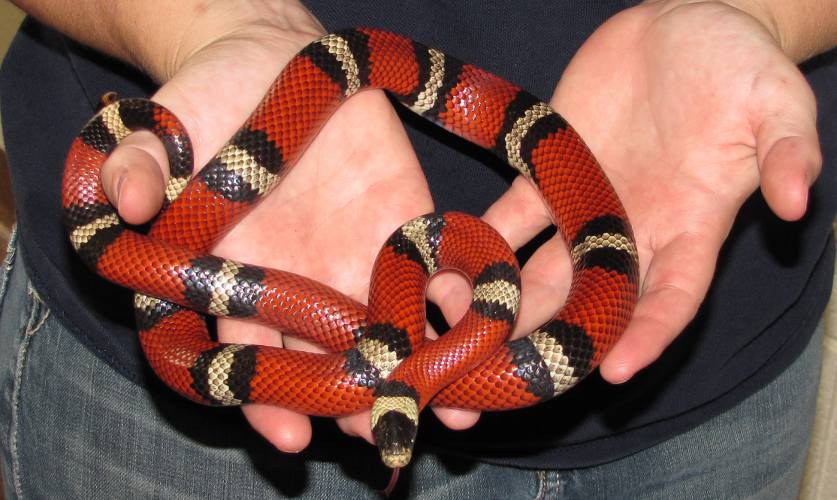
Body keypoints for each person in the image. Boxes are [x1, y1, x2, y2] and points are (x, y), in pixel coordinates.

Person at [1, 0, 835, 497]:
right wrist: (222, 22)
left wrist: (760, 11)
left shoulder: (409, 329)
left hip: (721, 381)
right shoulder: (416, 335)